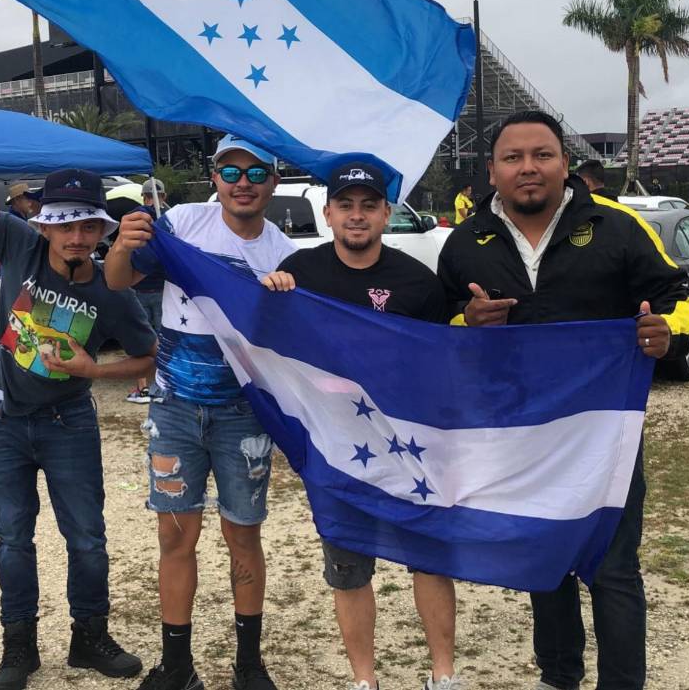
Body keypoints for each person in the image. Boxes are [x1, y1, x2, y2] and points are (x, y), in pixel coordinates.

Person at [0, 60, 157, 690]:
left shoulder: (112, 284)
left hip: (68, 420)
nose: (77, 235)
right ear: (44, 223)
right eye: (65, 222)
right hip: (2, 418)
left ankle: (90, 638)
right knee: (13, 539)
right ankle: (18, 646)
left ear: (101, 229)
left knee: (88, 539)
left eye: (89, 224)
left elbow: (152, 358)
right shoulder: (17, 243)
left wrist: (93, 369)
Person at [436, 110, 689, 690]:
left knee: (612, 568)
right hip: (519, 437)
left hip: (604, 437)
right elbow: (439, 328)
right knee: (544, 561)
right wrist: (466, 320)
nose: (528, 168)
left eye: (542, 155)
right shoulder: (464, 242)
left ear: (564, 164)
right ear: (493, 170)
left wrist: (668, 331)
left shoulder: (618, 226)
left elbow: (678, 296)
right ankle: (558, 678)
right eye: (513, 158)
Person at [104, 135, 296, 690]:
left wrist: (285, 292)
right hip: (174, 410)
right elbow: (121, 280)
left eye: (256, 174)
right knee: (175, 537)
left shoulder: (283, 249)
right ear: (214, 178)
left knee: (242, 538)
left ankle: (248, 665)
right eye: (230, 172)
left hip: (244, 413)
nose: (243, 183)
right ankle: (177, 666)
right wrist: (121, 246)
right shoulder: (184, 222)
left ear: (273, 184)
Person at [259, 162, 460, 690]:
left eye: (368, 205)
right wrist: (270, 293)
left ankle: (443, 675)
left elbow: (442, 360)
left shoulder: (417, 280)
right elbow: (265, 339)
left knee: (429, 560)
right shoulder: (297, 272)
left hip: (409, 445)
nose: (356, 215)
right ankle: (363, 681)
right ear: (327, 213)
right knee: (349, 568)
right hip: (337, 447)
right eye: (345, 205)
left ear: (386, 213)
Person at [127, 178, 169, 405]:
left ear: (144, 196)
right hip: (164, 288)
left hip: (140, 287)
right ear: (164, 195)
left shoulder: (135, 217)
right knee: (165, 339)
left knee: (139, 339)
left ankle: (142, 387)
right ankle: (165, 384)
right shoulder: (172, 218)